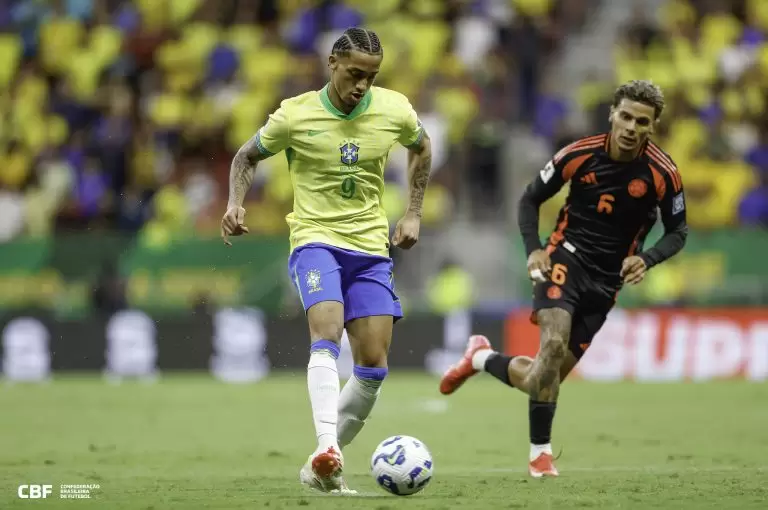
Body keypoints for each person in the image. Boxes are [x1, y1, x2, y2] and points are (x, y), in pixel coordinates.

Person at [440, 80, 687, 478]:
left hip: (607, 283)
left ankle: (481, 357)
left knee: (543, 377)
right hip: (564, 259)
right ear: (612, 114)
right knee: (552, 344)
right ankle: (541, 456)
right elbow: (529, 199)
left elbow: (678, 232)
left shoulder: (663, 172)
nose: (630, 127)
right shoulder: (579, 154)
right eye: (624, 116)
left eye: (641, 121)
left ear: (652, 126)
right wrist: (533, 249)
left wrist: (648, 258)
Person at [221, 27, 432, 493]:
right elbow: (246, 156)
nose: (362, 85)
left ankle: (316, 469)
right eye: (355, 73)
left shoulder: (395, 110)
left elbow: (422, 147)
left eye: (371, 77)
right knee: (327, 332)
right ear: (332, 63)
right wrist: (236, 202)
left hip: (371, 247)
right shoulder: (295, 115)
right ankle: (327, 447)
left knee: (373, 366)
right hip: (315, 240)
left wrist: (413, 211)